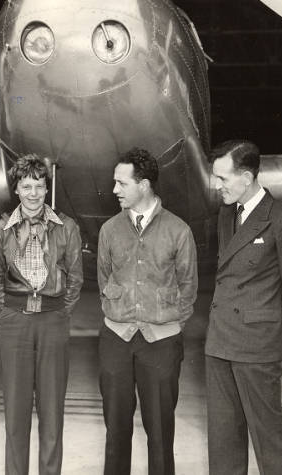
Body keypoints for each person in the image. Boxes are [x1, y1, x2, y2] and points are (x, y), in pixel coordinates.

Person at [206, 140, 282, 475]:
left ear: (248, 176)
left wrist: (269, 330)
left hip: (256, 347)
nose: (216, 185)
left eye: (223, 178)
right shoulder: (227, 214)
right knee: (223, 439)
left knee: (269, 439)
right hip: (220, 341)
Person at [97, 147, 198, 475]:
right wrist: (119, 312)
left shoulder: (178, 230)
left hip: (161, 342)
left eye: (121, 183)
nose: (114, 190)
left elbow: (189, 287)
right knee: (116, 431)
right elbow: (103, 278)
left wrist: (166, 324)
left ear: (144, 185)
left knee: (160, 434)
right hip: (116, 338)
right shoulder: (109, 230)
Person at [0, 154, 83, 475]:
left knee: (52, 412)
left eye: (39, 186)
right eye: (26, 186)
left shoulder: (65, 227)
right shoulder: (1, 229)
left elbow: (75, 277)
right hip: (15, 322)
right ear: (16, 189)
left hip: (53, 321)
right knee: (15, 413)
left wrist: (58, 313)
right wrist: (10, 313)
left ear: (46, 188)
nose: (33, 193)